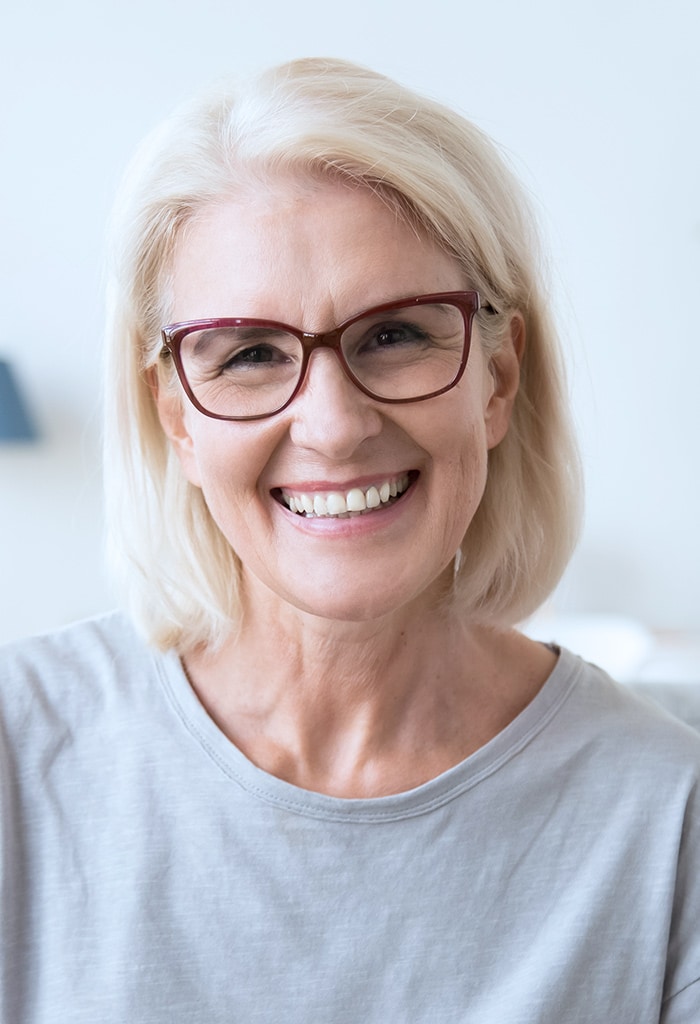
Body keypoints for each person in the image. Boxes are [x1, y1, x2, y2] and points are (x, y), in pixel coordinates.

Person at [1, 57, 698, 1023]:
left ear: (496, 381)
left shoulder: (669, 820)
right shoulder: (18, 752)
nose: (332, 425)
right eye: (248, 354)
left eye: (397, 335)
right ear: (176, 418)